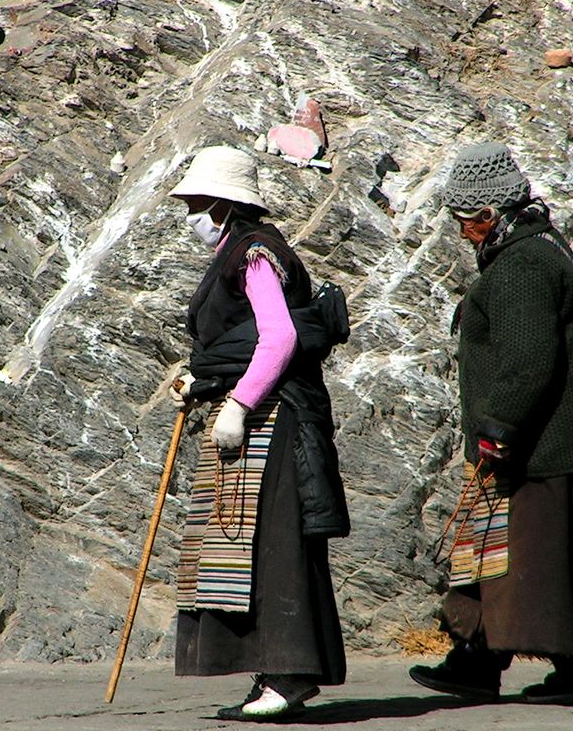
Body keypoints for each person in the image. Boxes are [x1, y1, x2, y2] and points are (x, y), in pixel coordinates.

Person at [410, 142, 573, 704]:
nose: (461, 232)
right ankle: (475, 661)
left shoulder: (523, 265)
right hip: (535, 440)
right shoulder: (538, 249)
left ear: (488, 215)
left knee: (544, 558)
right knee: (489, 550)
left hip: (542, 445)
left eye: (464, 221)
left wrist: (499, 426)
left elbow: (530, 359)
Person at [166, 144, 349, 720]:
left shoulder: (255, 253)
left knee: (276, 542)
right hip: (256, 410)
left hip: (277, 415)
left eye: (197, 203)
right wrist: (198, 379)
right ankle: (275, 673)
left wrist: (239, 403)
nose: (190, 213)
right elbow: (238, 340)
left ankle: (289, 676)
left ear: (223, 206)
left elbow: (278, 338)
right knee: (250, 545)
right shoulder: (235, 251)